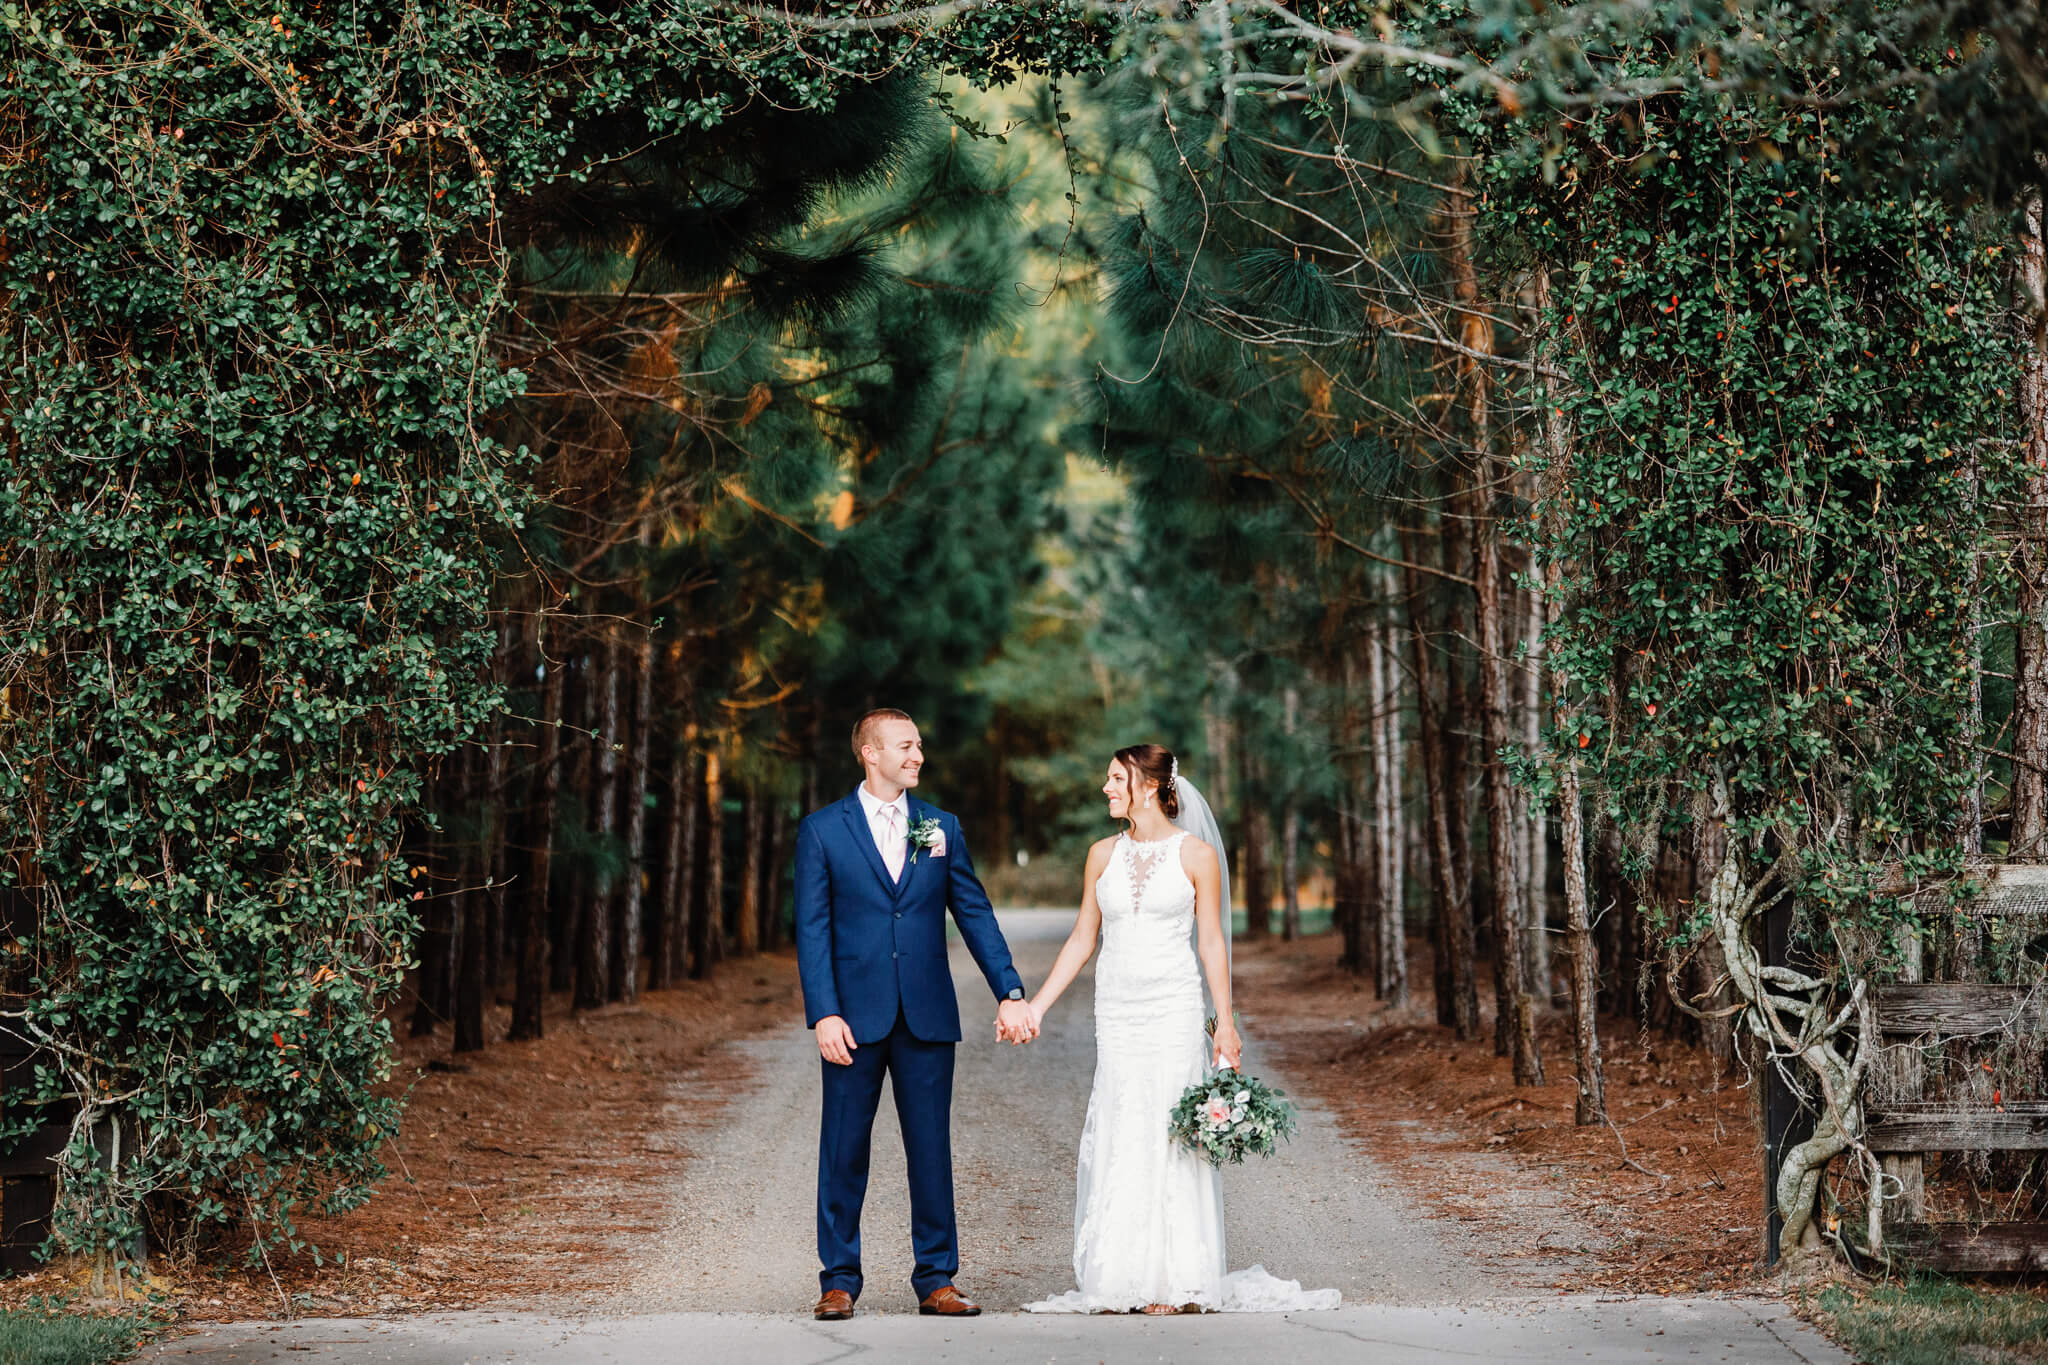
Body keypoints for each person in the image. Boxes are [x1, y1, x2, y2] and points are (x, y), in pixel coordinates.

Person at [1022, 743, 1340, 1315]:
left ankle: (1177, 1279)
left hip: (1172, 1007)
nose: (1106, 789)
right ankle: (1121, 1277)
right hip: (1116, 1011)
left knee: (1171, 1130)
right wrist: (1038, 1006)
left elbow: (1211, 941)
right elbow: (1081, 940)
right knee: (1125, 1123)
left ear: (1147, 785)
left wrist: (1226, 1024)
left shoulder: (1196, 856)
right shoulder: (1100, 855)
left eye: (1116, 779)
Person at [792, 708, 1037, 1322]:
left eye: (920, 745)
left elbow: (974, 913)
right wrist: (824, 1013)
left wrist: (1008, 990)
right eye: (906, 746)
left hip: (927, 1015)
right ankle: (838, 1280)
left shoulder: (940, 826)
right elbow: (813, 930)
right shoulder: (822, 831)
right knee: (843, 1150)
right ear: (869, 753)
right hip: (853, 1018)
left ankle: (936, 1278)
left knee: (930, 1149)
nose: (918, 755)